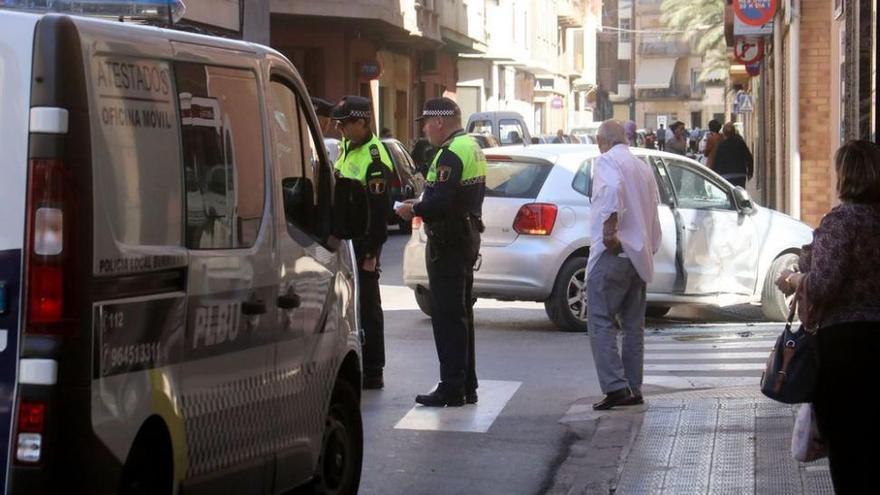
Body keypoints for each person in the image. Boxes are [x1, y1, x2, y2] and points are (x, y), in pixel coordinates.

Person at [774, 140, 880, 493]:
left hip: (845, 348)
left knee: (848, 445)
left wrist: (794, 278)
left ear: (845, 174)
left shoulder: (843, 221)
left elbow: (823, 285)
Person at [395, 97, 486, 407]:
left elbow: (440, 202)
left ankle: (451, 387)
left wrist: (414, 209)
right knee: (461, 315)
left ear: (439, 122)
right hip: (466, 237)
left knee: (447, 317)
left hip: (448, 242)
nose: (424, 131)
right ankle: (466, 384)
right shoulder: (472, 146)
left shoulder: (449, 154)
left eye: (425, 123)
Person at [587, 120, 662, 411]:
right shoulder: (643, 167)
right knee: (633, 326)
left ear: (602, 141)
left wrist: (609, 229)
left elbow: (611, 191)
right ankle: (634, 387)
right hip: (638, 255)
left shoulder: (606, 162)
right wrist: (649, 248)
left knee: (601, 320)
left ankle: (616, 387)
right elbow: (653, 213)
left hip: (613, 253)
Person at [330, 95, 394, 390]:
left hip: (363, 246)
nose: (340, 130)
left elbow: (380, 213)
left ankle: (373, 369)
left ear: (362, 122)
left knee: (368, 306)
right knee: (347, 306)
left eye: (344, 124)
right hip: (345, 241)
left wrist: (371, 252)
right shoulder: (348, 148)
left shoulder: (375, 157)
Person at [712, 122, 753, 187]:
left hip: (725, 176)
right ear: (734, 132)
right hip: (740, 175)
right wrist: (750, 172)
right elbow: (749, 157)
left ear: (724, 134)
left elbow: (716, 161)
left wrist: (714, 175)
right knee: (739, 193)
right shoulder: (740, 143)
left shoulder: (721, 145)